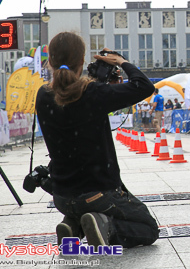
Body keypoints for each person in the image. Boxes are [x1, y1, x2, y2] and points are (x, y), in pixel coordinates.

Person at [35, 32, 159, 248]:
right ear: (82, 61)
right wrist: (122, 61)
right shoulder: (93, 93)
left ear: (51, 61)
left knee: (81, 207)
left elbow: (72, 101)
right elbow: (144, 87)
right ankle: (104, 227)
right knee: (148, 229)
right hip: (98, 194)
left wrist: (96, 84)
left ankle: (73, 226)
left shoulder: (43, 95)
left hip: (62, 196)